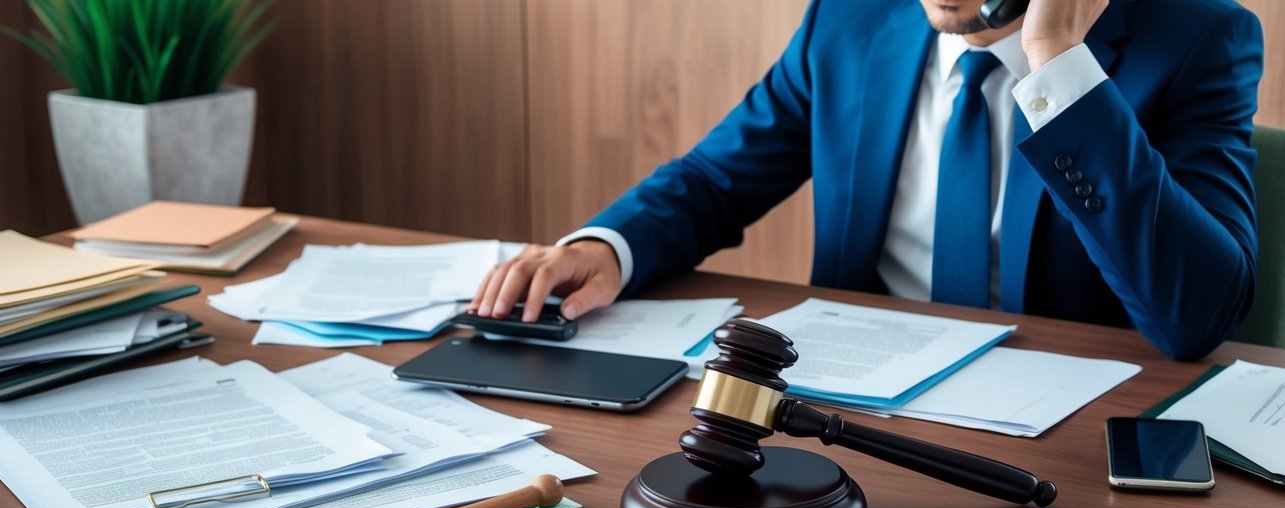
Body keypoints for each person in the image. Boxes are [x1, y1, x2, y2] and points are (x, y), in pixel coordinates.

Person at [470, 0, 1263, 361]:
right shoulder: (847, 21)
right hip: (856, 407)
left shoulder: (1197, 37)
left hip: (1066, 438)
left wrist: (1058, 57)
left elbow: (1194, 317)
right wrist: (608, 249)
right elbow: (716, 178)